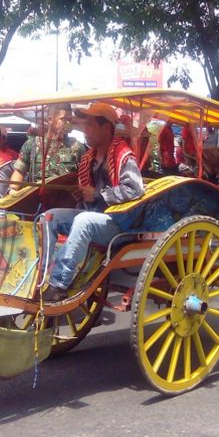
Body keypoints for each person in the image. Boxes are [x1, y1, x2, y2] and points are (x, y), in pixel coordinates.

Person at [42, 103, 145, 301]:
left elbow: (134, 189)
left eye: (89, 126)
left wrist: (98, 194)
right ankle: (41, 274)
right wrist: (83, 195)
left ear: (106, 128)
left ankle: (58, 283)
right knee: (49, 217)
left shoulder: (123, 155)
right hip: (94, 216)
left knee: (84, 221)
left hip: (120, 224)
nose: (85, 131)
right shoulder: (89, 157)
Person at [9, 103, 84, 192]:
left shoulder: (76, 147)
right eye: (63, 119)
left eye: (69, 119)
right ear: (50, 119)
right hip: (37, 199)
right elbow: (19, 171)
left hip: (64, 202)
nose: (67, 123)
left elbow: (83, 178)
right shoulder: (33, 144)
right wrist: (12, 190)